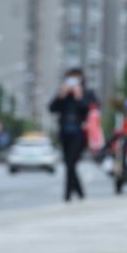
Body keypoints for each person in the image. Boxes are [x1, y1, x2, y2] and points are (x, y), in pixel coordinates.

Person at [48, 68, 97, 201]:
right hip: (65, 132)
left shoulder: (87, 93)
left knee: (71, 163)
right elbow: (52, 108)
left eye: (76, 78)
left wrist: (79, 97)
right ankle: (79, 193)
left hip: (80, 133)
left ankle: (68, 195)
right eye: (70, 78)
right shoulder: (63, 93)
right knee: (69, 164)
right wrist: (61, 96)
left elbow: (92, 110)